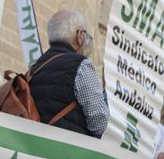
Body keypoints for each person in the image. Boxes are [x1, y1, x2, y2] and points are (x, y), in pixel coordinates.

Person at [27, 9, 108, 137]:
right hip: (66, 150)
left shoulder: (36, 67)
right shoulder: (81, 65)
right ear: (80, 36)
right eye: (86, 37)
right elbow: (99, 122)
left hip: (34, 144)